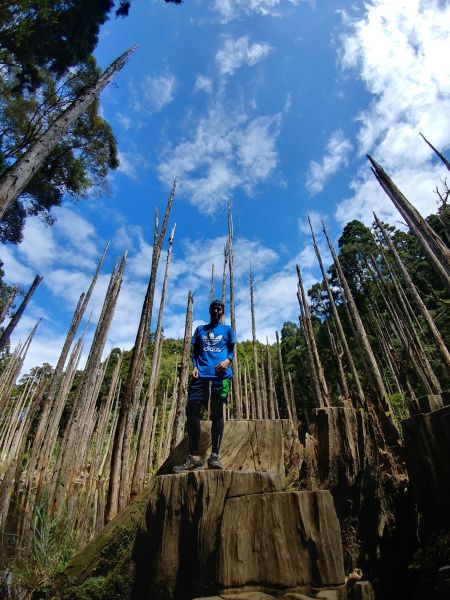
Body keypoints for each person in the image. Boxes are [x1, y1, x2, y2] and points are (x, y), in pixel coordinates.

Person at [173, 299, 235, 472]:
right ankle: (194, 457)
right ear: (210, 311)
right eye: (214, 309)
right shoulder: (200, 329)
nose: (217, 311)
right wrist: (194, 366)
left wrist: (227, 361)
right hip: (200, 375)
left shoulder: (228, 330)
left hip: (221, 376)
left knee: (217, 412)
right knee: (192, 409)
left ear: (223, 312)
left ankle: (214, 456)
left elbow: (231, 350)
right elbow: (196, 351)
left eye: (220, 309)